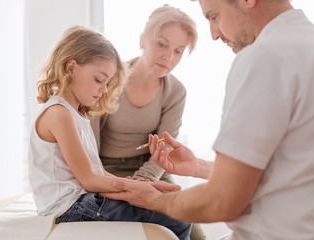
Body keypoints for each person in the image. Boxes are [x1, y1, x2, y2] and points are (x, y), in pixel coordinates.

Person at [101, 0, 314, 239]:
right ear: (142, 40)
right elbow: (289, 169)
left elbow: (222, 200)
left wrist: (156, 199)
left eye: (214, 16)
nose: (214, 34)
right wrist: (199, 167)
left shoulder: (264, 58)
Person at [27, 25, 191, 240]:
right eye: (99, 79)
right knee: (177, 218)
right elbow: (88, 179)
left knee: (176, 208)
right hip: (69, 209)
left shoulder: (76, 114)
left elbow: (98, 173)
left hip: (82, 202)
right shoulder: (59, 114)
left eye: (107, 82)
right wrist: (138, 189)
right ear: (71, 67)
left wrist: (148, 187)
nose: (104, 89)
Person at [90, 4, 205, 239]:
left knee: (195, 233)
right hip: (104, 168)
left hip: (153, 168)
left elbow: (165, 149)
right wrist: (105, 178)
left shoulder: (175, 92)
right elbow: (88, 142)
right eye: (162, 44)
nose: (168, 57)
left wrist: (144, 180)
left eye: (178, 51)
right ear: (143, 40)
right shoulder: (110, 78)